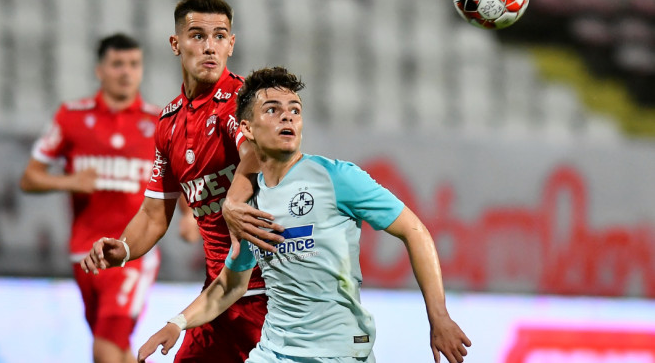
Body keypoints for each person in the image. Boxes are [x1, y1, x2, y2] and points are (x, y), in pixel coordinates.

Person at [137, 66, 472, 363]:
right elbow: (230, 286)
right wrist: (176, 324)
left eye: (294, 110)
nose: (288, 117)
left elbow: (414, 230)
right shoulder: (249, 203)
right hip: (275, 351)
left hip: (339, 351)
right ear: (247, 129)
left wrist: (438, 317)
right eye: (273, 110)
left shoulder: (337, 177)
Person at [80, 0, 285, 362]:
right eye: (197, 35)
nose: (210, 47)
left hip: (273, 296)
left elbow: (256, 156)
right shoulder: (168, 123)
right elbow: (154, 213)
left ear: (232, 44)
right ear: (176, 44)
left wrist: (235, 199)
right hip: (219, 298)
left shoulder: (241, 101)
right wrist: (124, 248)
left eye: (220, 36)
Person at [19, 33, 172, 363]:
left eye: (133, 64)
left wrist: (188, 217)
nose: (126, 72)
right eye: (117, 64)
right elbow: (29, 178)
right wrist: (70, 180)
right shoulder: (71, 117)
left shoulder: (159, 122)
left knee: (105, 344)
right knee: (116, 349)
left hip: (133, 253)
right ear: (99, 70)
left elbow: (173, 177)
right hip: (85, 254)